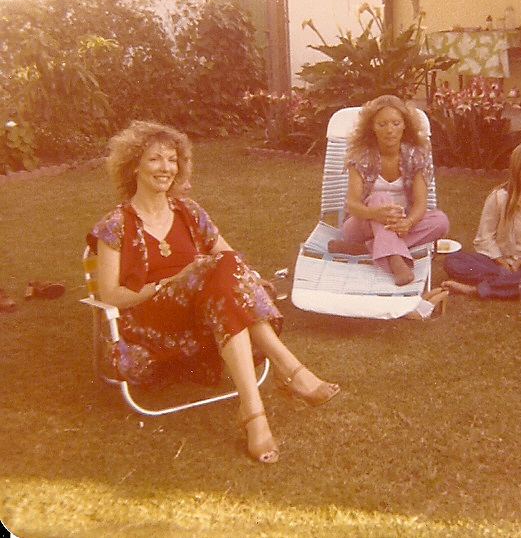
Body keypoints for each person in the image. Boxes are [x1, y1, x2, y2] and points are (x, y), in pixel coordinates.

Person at [87, 121, 339, 464]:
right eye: (155, 159)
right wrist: (168, 283)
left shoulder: (189, 212)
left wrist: (247, 280)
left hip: (206, 316)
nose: (166, 168)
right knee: (218, 268)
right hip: (152, 323)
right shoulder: (115, 225)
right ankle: (291, 371)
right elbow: (110, 296)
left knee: (223, 271)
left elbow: (228, 259)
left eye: (172, 160)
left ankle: (253, 411)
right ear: (133, 166)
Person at [327, 95, 450, 285]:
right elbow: (352, 205)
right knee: (379, 197)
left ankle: (367, 249)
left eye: (396, 123)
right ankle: (396, 262)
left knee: (440, 221)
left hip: (400, 224)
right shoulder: (361, 156)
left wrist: (408, 222)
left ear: (405, 125)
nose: (390, 130)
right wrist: (375, 214)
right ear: (372, 127)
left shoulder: (416, 155)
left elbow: (420, 203)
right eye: (382, 124)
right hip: (361, 224)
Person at [442, 141, 521, 299]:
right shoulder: (499, 197)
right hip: (497, 263)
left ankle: (475, 290)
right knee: (453, 261)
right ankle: (516, 284)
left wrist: (520, 262)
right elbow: (485, 238)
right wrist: (503, 263)